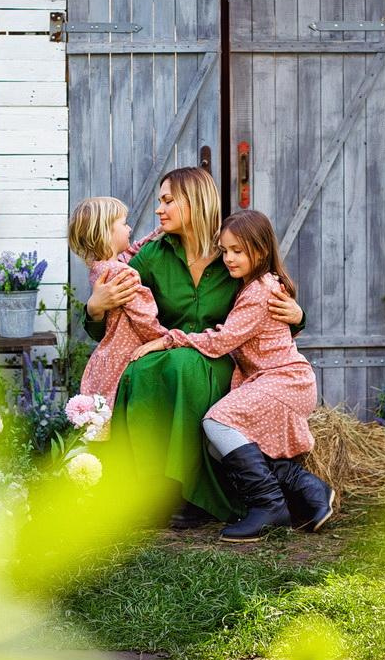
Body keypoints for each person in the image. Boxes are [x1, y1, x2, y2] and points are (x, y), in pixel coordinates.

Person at [83, 167, 304, 525]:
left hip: (218, 359)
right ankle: (146, 490)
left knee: (183, 366)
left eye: (168, 200)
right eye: (160, 201)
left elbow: (266, 307)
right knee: (139, 369)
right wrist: (95, 307)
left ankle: (192, 494)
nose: (159, 209)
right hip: (162, 355)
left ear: (194, 202)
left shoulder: (231, 251)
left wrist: (297, 316)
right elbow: (111, 327)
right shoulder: (153, 255)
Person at [132, 209, 334, 542]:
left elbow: (222, 340)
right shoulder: (255, 286)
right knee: (218, 446)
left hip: (284, 381)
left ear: (261, 250)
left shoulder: (259, 292)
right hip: (271, 380)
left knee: (217, 423)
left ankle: (269, 505)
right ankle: (309, 488)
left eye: (237, 251)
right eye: (224, 250)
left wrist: (168, 339)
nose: (228, 258)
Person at [68, 196, 164, 411]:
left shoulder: (101, 267)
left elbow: (132, 250)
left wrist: (156, 233)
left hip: (107, 355)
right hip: (124, 355)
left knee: (100, 416)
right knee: (117, 413)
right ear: (106, 232)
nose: (129, 228)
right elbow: (144, 318)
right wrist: (167, 340)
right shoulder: (123, 274)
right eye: (124, 223)